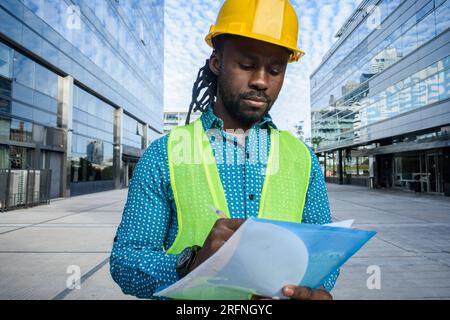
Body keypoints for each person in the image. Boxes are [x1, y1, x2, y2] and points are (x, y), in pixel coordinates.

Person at [110, 0, 339, 300]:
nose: (260, 80)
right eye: (246, 65)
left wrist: (310, 290)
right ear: (216, 62)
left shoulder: (303, 159)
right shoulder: (164, 155)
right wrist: (190, 263)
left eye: (275, 69)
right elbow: (125, 261)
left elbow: (326, 259)